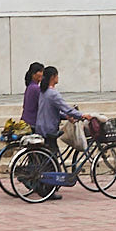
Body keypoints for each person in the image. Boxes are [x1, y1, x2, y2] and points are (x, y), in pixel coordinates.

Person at [34, 66, 88, 199]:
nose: (58, 78)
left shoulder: (44, 91)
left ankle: (44, 188)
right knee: (51, 162)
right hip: (49, 129)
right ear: (53, 77)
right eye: (57, 75)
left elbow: (55, 110)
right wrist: (82, 115)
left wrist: (66, 117)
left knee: (48, 159)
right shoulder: (53, 93)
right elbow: (66, 108)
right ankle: (48, 192)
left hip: (41, 127)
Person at [21, 62, 45, 128]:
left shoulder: (30, 87)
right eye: (40, 71)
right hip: (32, 123)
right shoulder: (35, 88)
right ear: (33, 74)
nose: (42, 74)